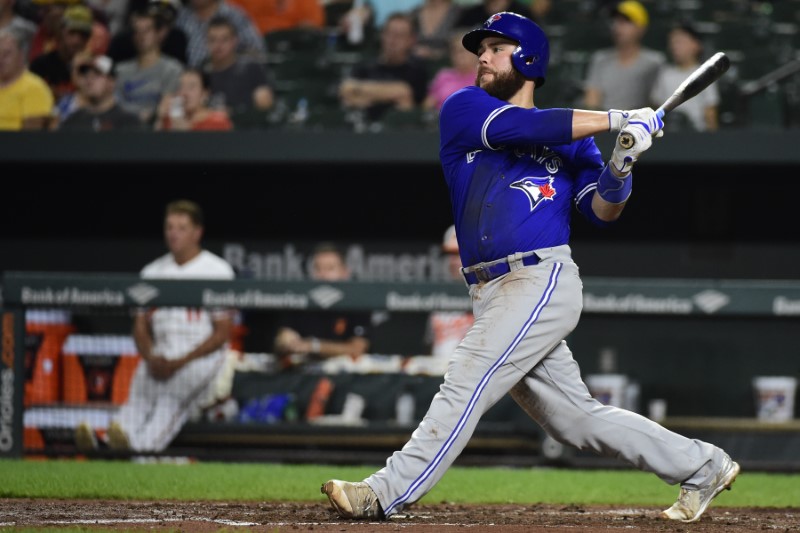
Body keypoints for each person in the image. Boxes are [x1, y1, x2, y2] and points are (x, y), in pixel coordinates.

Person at [321, 11, 740, 525]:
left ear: (528, 57)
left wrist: (622, 162)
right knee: (576, 421)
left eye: (496, 48)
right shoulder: (466, 108)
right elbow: (524, 126)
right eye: (483, 49)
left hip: (539, 278)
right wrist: (616, 118)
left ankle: (384, 492)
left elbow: (602, 210)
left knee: (467, 376)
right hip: (489, 288)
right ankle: (703, 465)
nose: (483, 56)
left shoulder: (576, 141)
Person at [75, 199, 236, 454]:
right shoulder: (152, 271)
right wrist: (151, 357)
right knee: (137, 397)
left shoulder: (217, 270)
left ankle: (138, 450)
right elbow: (140, 326)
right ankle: (108, 444)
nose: (174, 233)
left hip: (202, 357)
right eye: (169, 227)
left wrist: (179, 361)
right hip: (160, 354)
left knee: (170, 399)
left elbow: (222, 333)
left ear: (197, 232)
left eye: (182, 227)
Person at [272, 242, 371, 370]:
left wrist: (314, 346)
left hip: (344, 377)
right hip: (303, 374)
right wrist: (285, 342)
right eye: (318, 269)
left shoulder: (357, 303)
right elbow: (282, 337)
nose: (322, 275)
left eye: (330, 269)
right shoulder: (301, 299)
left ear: (345, 272)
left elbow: (357, 348)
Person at [338, 11, 428, 123]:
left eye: (400, 35)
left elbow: (404, 93)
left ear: (411, 40)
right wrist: (390, 94)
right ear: (382, 35)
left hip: (400, 132)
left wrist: (362, 91)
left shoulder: (417, 69)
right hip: (362, 128)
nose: (393, 40)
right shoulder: (365, 65)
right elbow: (347, 90)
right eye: (389, 33)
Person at [582, 0, 665, 110]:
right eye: (616, 21)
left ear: (641, 28)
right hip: (605, 122)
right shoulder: (600, 59)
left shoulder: (654, 62)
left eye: (626, 21)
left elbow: (657, 103)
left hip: (639, 123)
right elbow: (592, 101)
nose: (618, 26)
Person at [114, 6, 184, 125]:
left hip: (158, 131)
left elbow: (168, 106)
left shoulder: (173, 69)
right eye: (137, 31)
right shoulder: (121, 70)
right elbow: (114, 104)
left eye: (147, 30)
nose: (141, 36)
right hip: (124, 129)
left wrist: (150, 115)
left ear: (159, 34)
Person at [650, 21, 718, 132]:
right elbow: (656, 109)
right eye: (672, 42)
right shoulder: (665, 74)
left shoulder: (705, 74)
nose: (674, 46)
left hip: (696, 134)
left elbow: (710, 112)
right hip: (667, 133)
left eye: (680, 42)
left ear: (696, 45)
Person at [421, 224, 474, 359]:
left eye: (459, 254)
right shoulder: (437, 293)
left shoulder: (485, 291)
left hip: (471, 374)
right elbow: (428, 343)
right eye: (451, 254)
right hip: (438, 373)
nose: (454, 261)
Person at [29, 3, 93, 114]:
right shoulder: (40, 65)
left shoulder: (94, 67)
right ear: (61, 32)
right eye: (72, 32)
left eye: (83, 35)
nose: (76, 41)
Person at [203, 14, 274, 115]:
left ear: (234, 41)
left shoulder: (252, 69)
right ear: (206, 42)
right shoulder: (202, 72)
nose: (218, 45)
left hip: (246, 127)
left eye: (224, 40)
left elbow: (265, 105)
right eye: (213, 40)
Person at [57, 53, 146, 130]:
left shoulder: (129, 123)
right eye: (85, 74)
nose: (89, 79)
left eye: (97, 74)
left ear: (111, 82)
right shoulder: (72, 123)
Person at [175, 0, 266, 69]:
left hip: (228, 78)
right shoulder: (181, 17)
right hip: (190, 83)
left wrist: (228, 63)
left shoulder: (233, 15)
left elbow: (257, 52)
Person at [0, 26, 55, 130]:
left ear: (21, 56)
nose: (0, 59)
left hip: (14, 144)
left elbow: (30, 138)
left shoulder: (34, 88)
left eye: (6, 54)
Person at [106, 0, 189, 67]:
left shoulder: (177, 40)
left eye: (164, 24)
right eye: (158, 23)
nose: (162, 31)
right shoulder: (123, 43)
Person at [154, 67, 234, 130]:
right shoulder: (169, 120)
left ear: (205, 93)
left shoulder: (218, 123)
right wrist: (160, 119)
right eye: (180, 87)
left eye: (191, 87)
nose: (184, 93)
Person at [422, 27, 478, 113]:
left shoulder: (483, 77)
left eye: (463, 51)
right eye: (455, 51)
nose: (459, 55)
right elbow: (427, 105)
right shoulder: (443, 75)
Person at [227, 0, 325, 37]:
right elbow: (229, 21)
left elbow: (313, 28)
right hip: (254, 50)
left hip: (294, 51)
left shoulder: (306, 3)